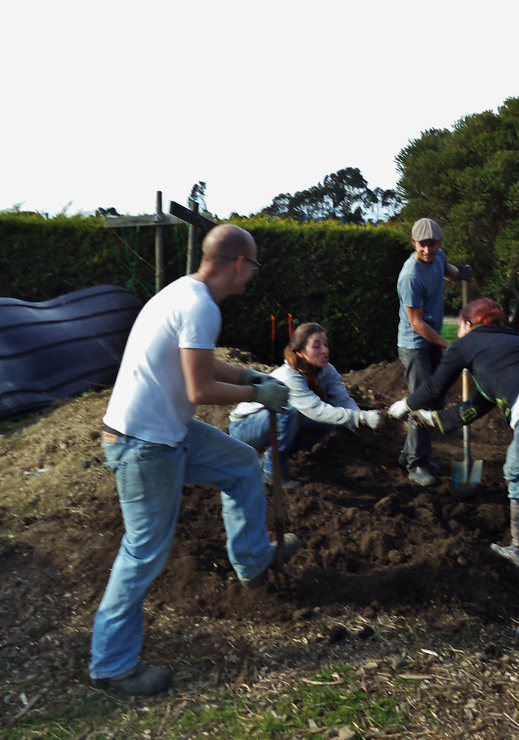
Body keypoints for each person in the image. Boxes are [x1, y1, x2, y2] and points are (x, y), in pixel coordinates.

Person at [91, 224, 300, 696]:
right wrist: (256, 394)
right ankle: (112, 664)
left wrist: (250, 374)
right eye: (253, 267)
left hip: (166, 431)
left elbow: (200, 365)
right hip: (144, 444)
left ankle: (252, 561)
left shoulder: (182, 293)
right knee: (144, 552)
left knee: (242, 463)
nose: (251, 277)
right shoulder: (200, 307)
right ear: (239, 264)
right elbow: (199, 390)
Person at [388, 298, 519, 641]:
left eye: (461, 327)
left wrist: (404, 405)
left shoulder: (467, 343)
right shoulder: (512, 345)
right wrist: (430, 420)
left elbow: (435, 387)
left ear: (467, 325)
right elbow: (476, 406)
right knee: (514, 468)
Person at [228, 322, 384, 487]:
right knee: (290, 411)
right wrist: (361, 418)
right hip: (245, 426)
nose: (324, 350)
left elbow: (341, 399)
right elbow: (316, 410)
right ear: (300, 352)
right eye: (317, 346)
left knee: (327, 423)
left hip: (270, 422)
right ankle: (272, 473)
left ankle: (269, 460)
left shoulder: (327, 370)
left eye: (325, 345)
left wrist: (361, 416)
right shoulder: (289, 376)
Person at [396, 217, 472, 486]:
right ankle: (416, 464)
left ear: (439, 243)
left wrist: (458, 273)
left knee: (435, 398)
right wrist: (448, 345)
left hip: (432, 340)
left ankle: (410, 454)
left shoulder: (437, 257)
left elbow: (446, 269)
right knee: (422, 401)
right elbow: (417, 324)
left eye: (433, 244)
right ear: (414, 243)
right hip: (415, 345)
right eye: (422, 245)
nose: (428, 250)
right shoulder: (410, 276)